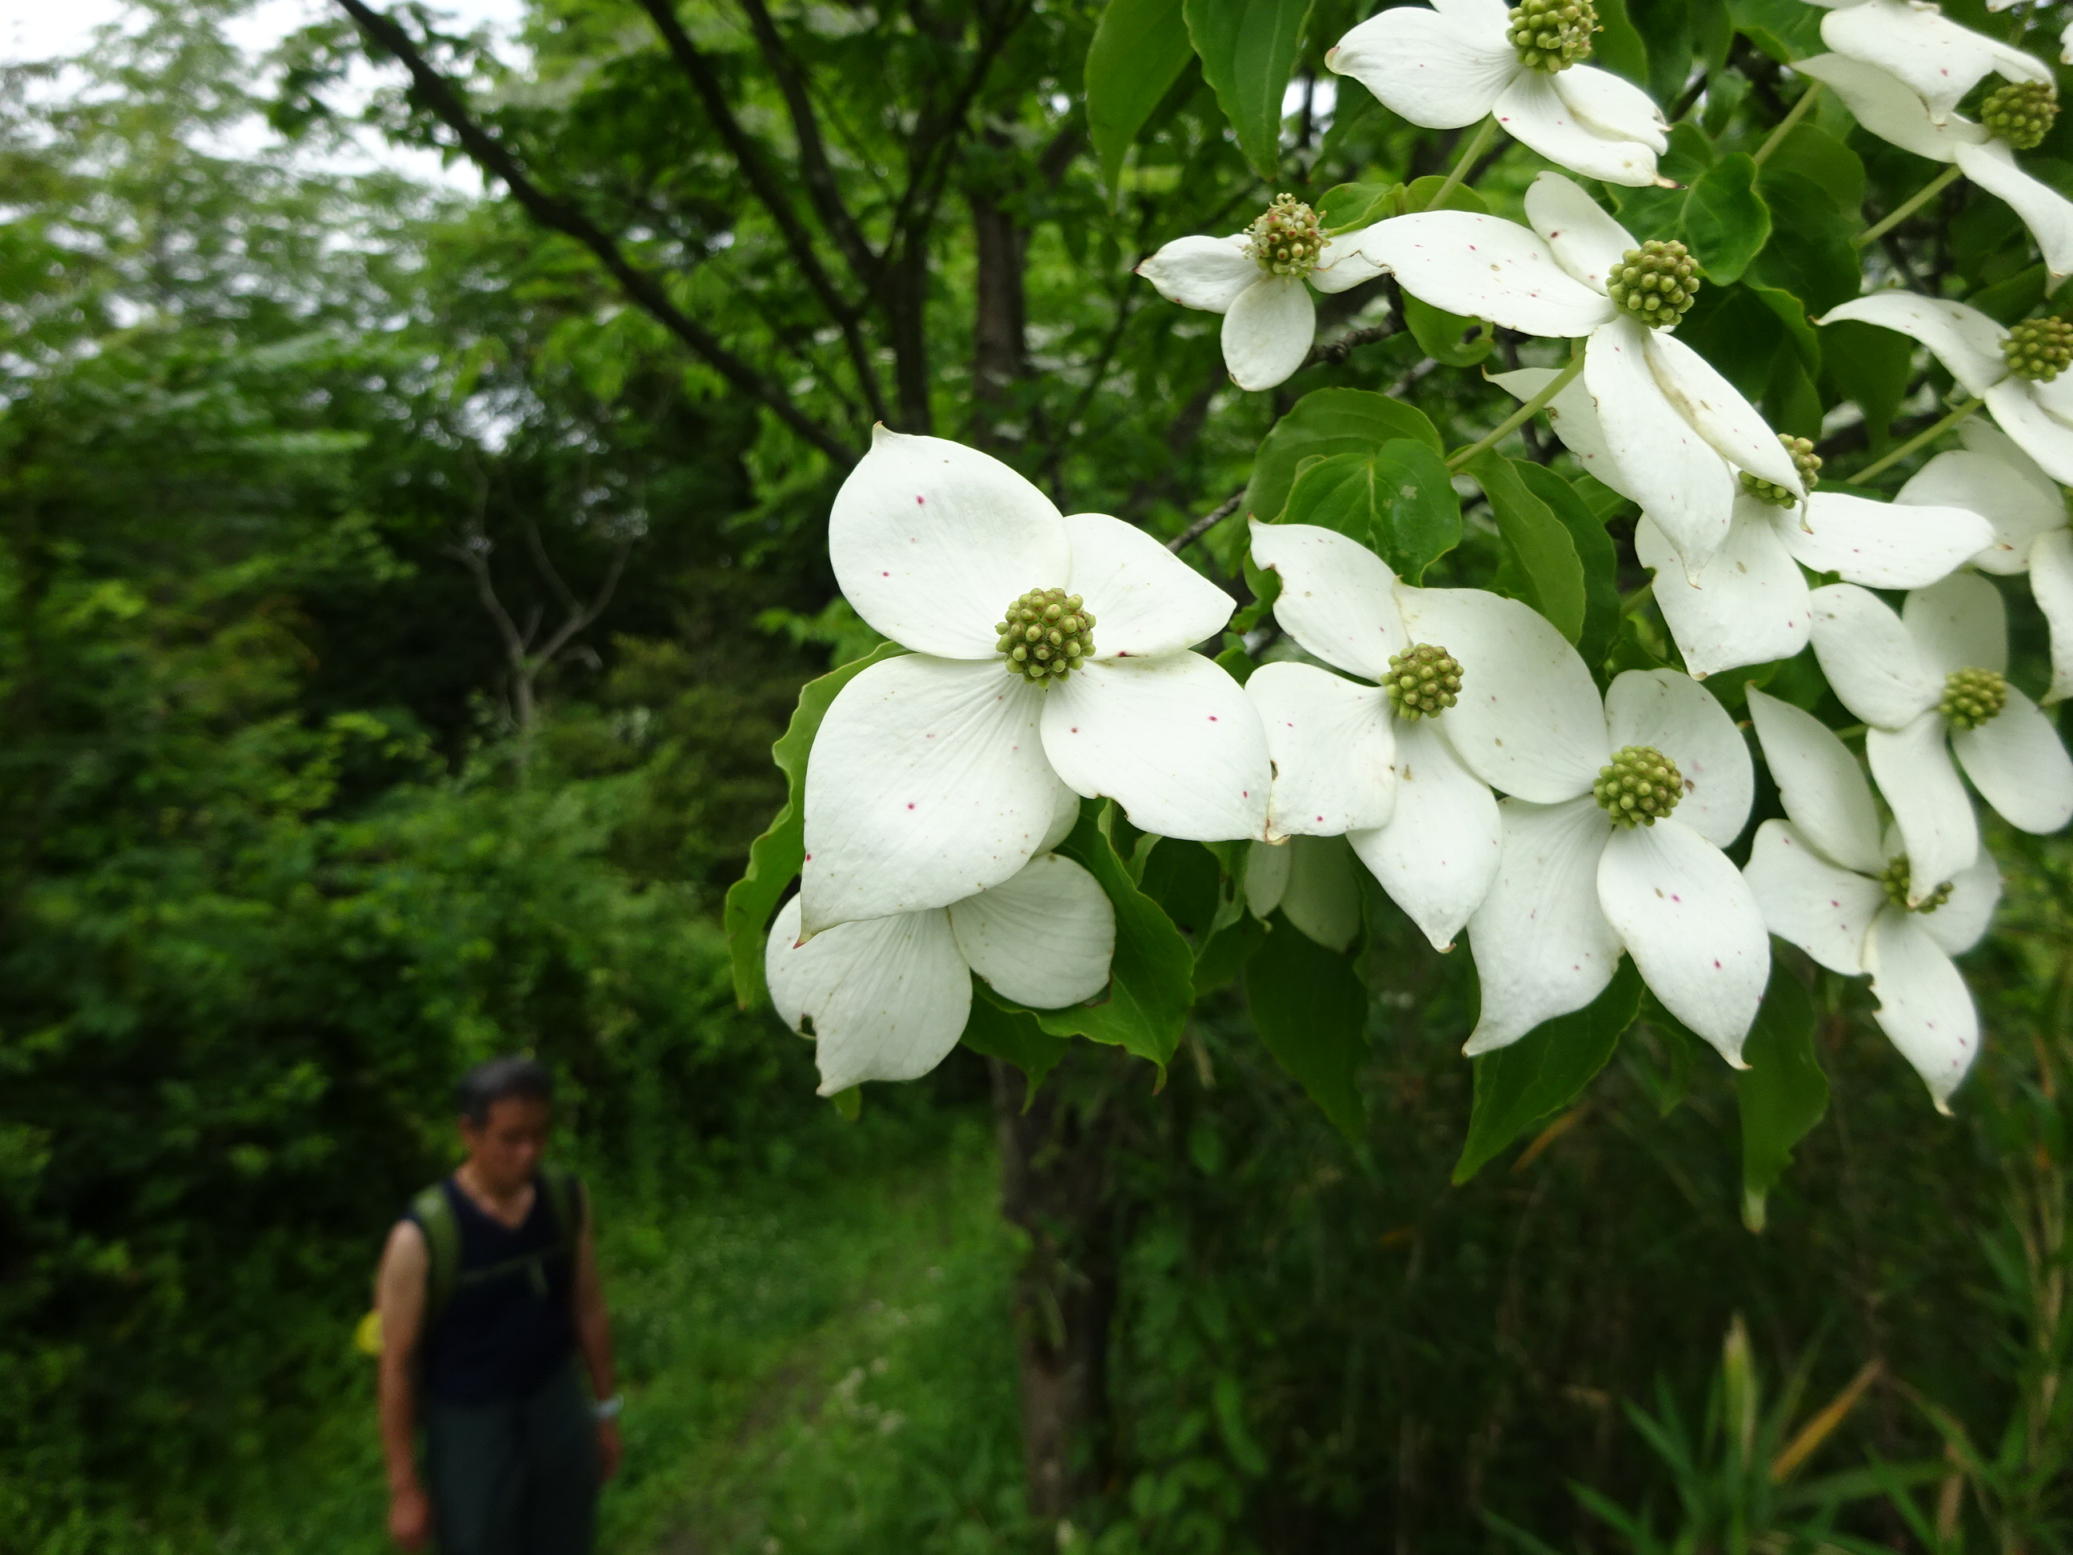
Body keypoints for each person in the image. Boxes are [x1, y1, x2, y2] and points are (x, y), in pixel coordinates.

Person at [373, 1056, 621, 1553]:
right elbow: (396, 1365)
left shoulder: (564, 1200)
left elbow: (587, 1309)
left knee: (569, 1535)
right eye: (510, 1139)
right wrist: (404, 1489)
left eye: (539, 1135)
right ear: (470, 1132)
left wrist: (604, 1412)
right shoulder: (421, 1237)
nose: (528, 1153)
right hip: (470, 1427)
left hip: (555, 1404)